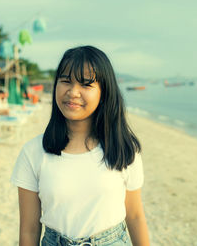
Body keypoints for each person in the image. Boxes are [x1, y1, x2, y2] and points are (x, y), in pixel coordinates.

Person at [11, 45, 150, 246]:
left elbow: (135, 216)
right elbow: (29, 230)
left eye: (86, 85)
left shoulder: (124, 149)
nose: (73, 92)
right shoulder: (33, 152)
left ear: (104, 92)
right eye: (66, 81)